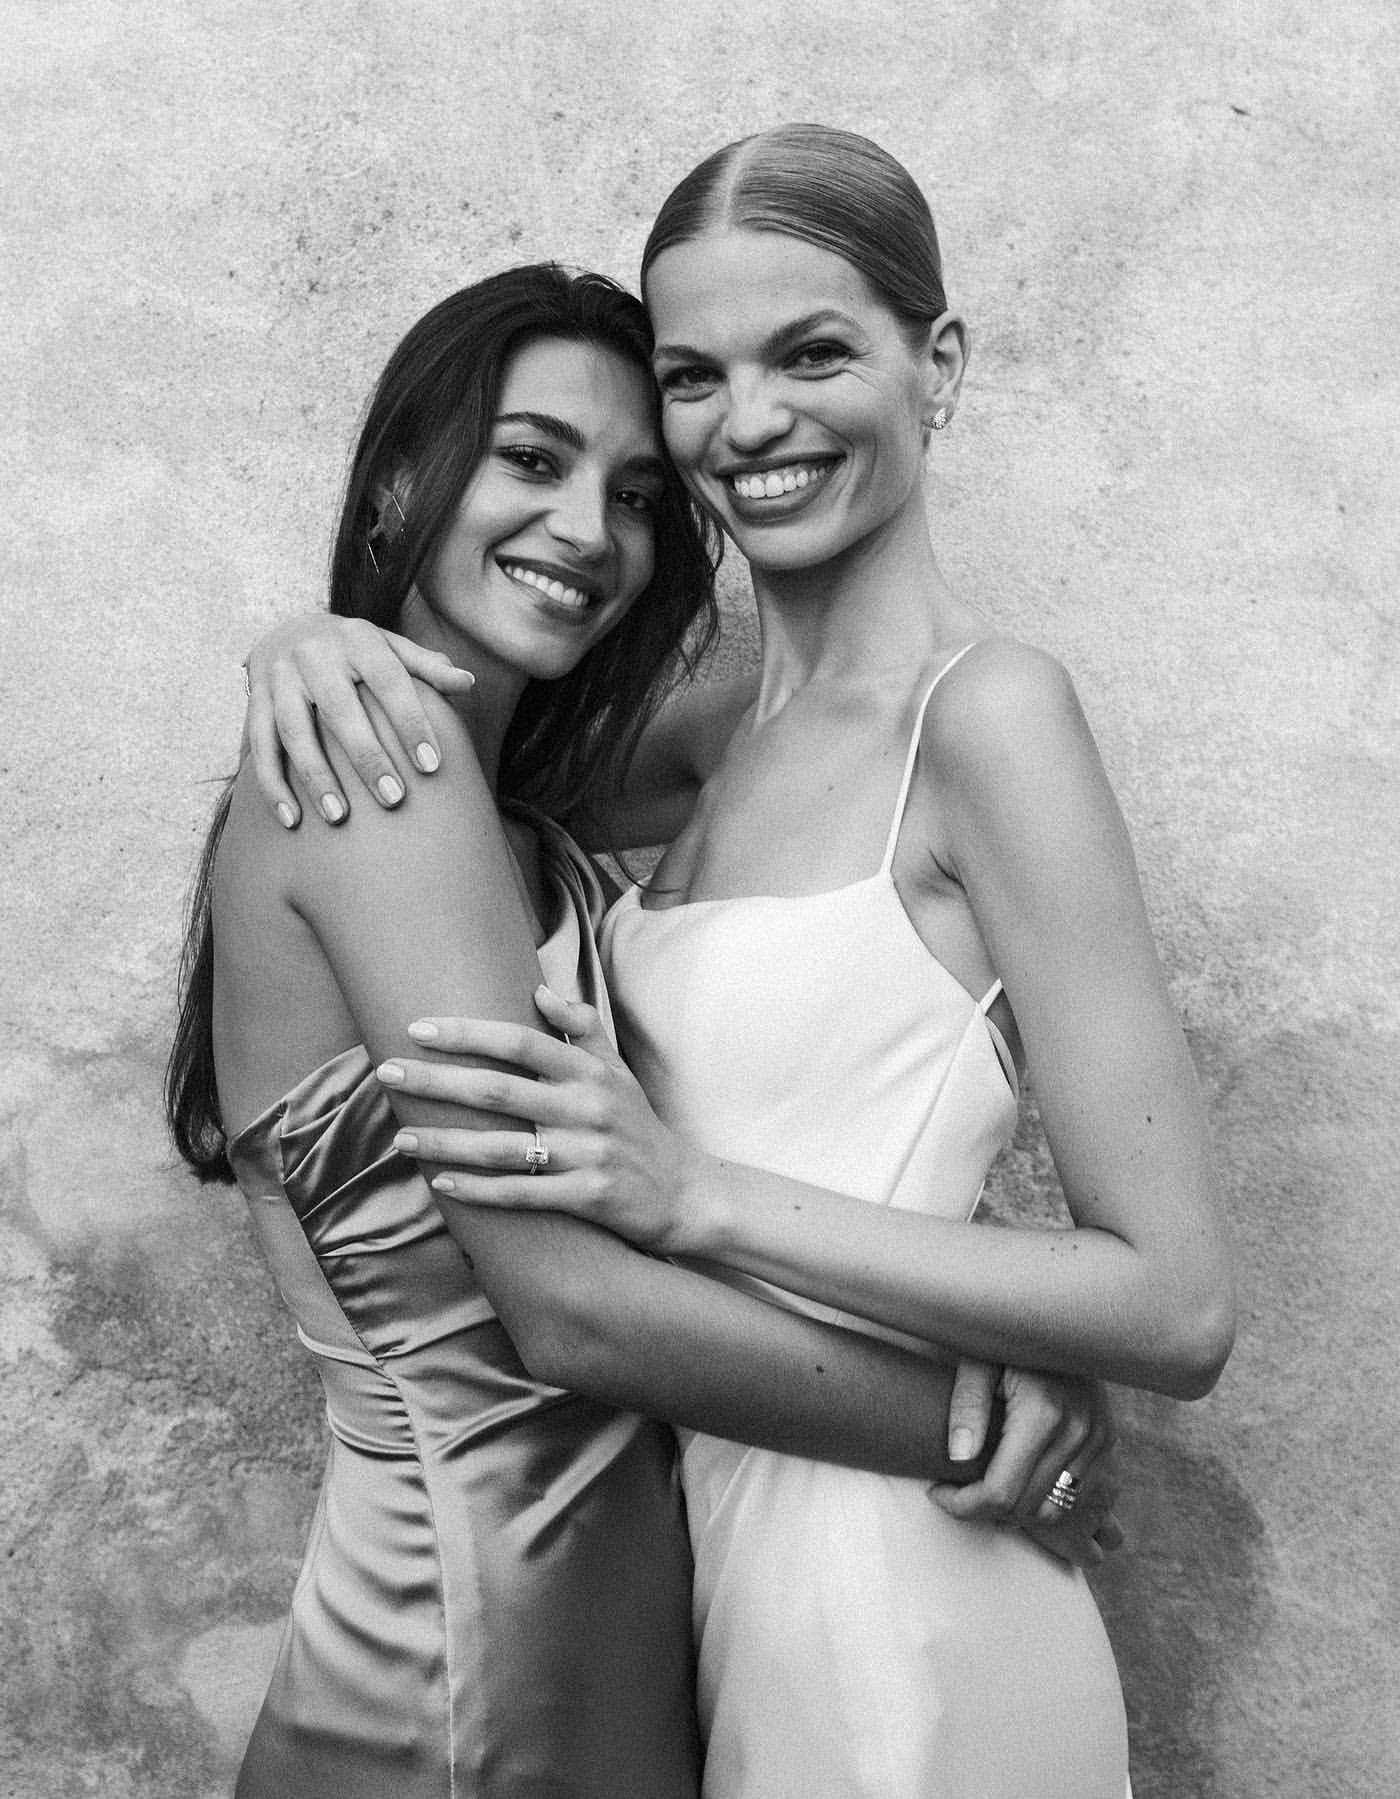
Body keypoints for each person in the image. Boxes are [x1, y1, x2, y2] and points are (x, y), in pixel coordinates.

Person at [238, 127, 1237, 1799]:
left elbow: (1179, 1301)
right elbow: (440, 795)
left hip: (901, 1594)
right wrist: (302, 639)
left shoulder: (990, 718)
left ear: (940, 365)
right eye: (696, 377)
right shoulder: (700, 739)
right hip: (709, 1580)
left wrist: (696, 1196)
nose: (749, 423)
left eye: (814, 354)